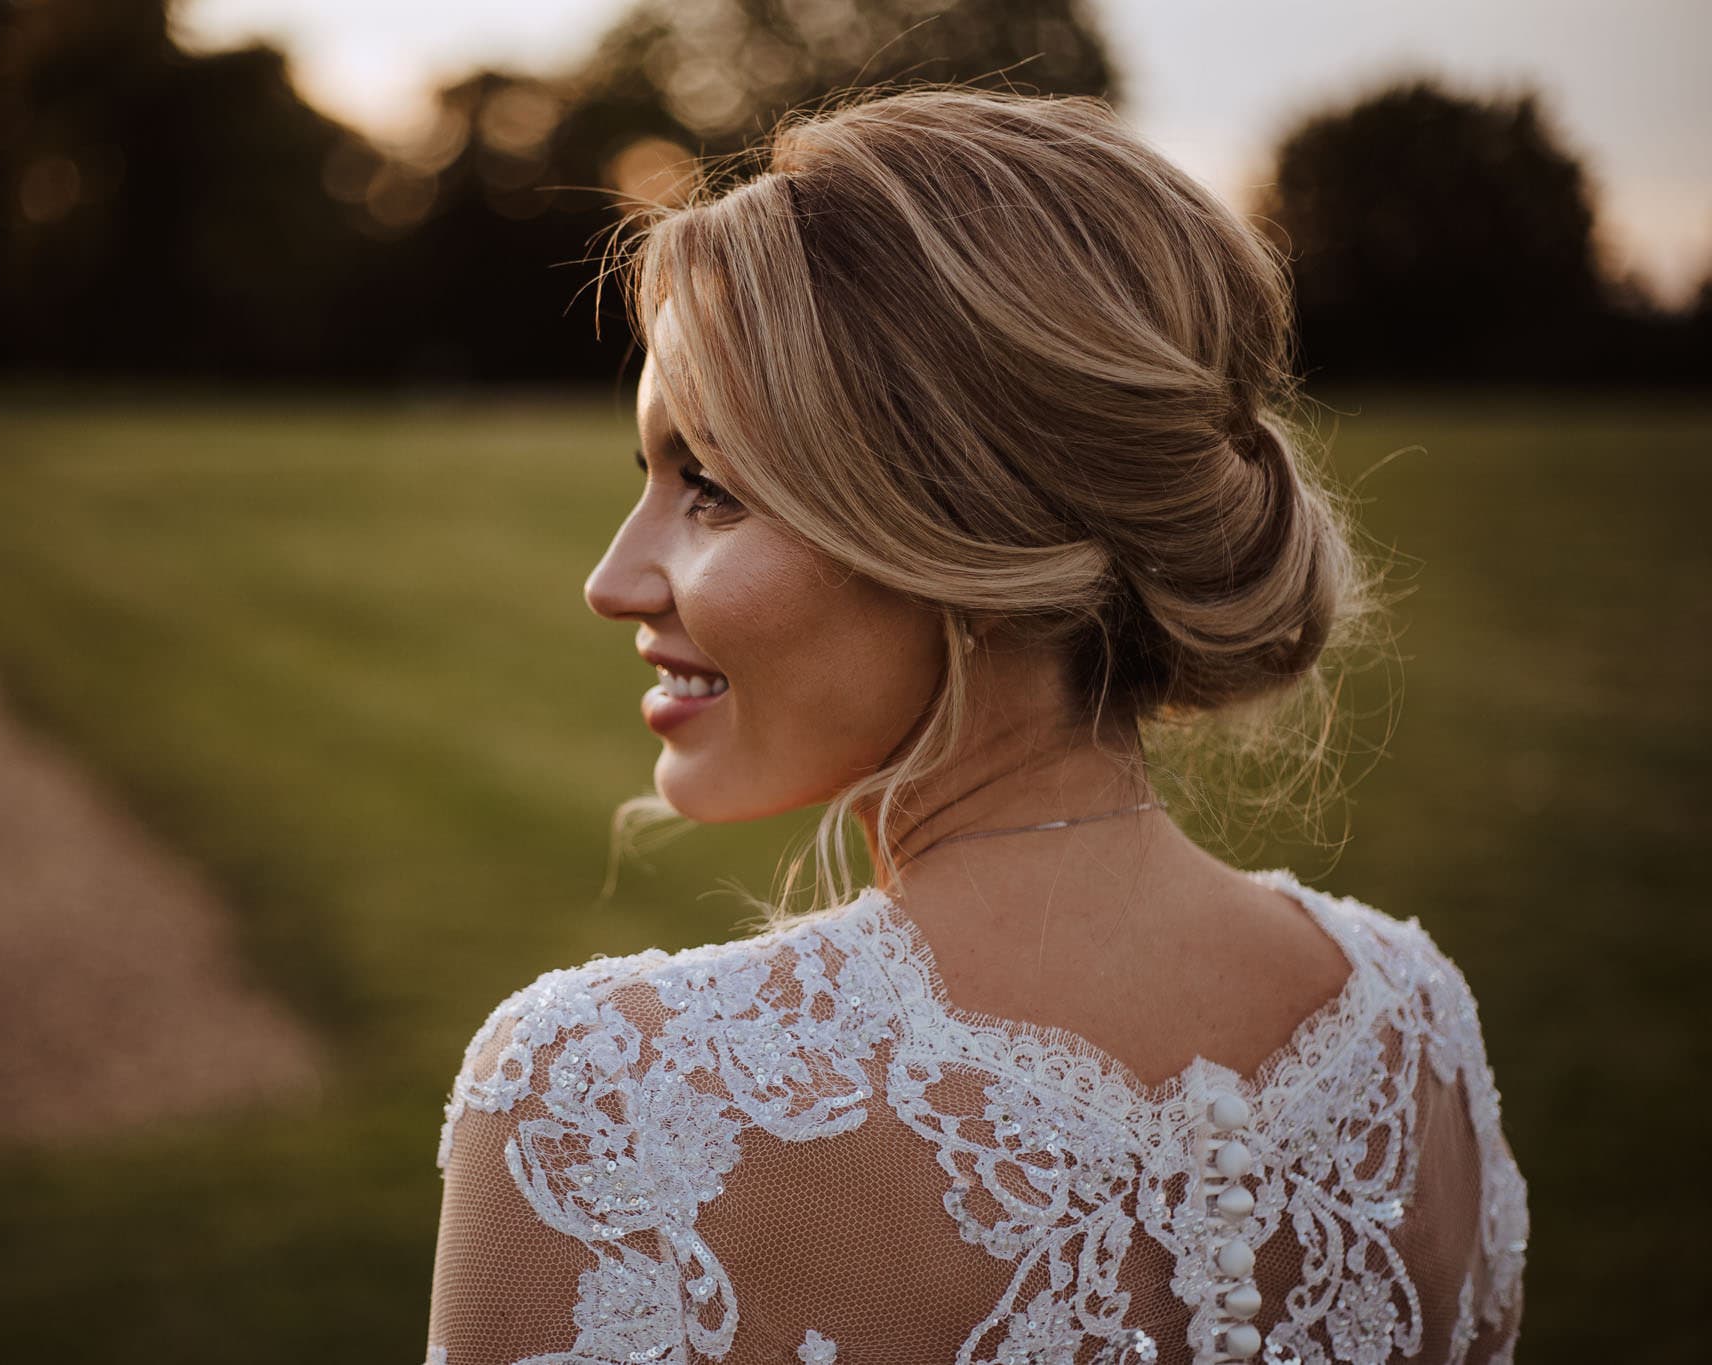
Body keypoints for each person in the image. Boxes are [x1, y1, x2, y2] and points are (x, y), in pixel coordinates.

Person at [425, 85, 1527, 1365]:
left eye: (710, 490)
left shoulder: (605, 1107)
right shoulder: (1415, 1029)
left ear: (955, 528)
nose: (611, 580)